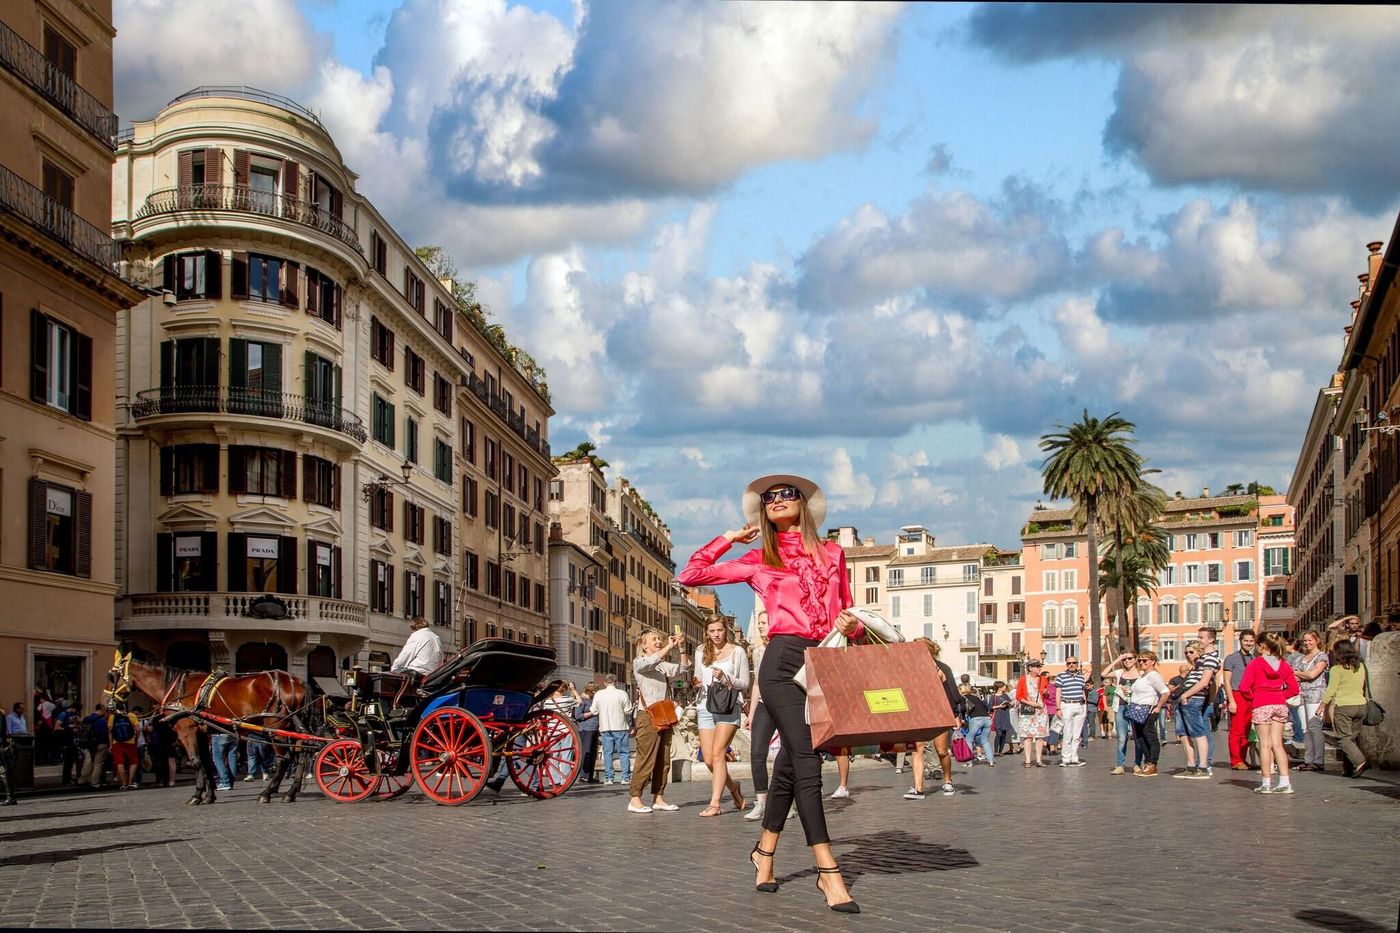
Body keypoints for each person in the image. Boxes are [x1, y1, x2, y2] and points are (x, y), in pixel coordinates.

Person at [676, 473, 861, 912]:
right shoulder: (760, 558)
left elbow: (846, 610)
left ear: (803, 504)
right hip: (781, 662)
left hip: (822, 661)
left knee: (790, 770)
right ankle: (827, 870)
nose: (776, 500)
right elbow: (691, 573)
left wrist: (849, 625)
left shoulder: (833, 553)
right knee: (806, 758)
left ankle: (764, 853)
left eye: (786, 493)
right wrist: (728, 537)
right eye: (768, 498)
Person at [628, 629, 691, 814]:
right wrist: (669, 646)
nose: (658, 642)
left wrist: (680, 648)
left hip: (664, 714)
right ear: (643, 644)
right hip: (647, 715)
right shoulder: (639, 662)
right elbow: (651, 661)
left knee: (664, 759)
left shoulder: (662, 665)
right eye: (654, 639)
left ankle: (659, 797)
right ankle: (635, 798)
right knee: (646, 757)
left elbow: (683, 669)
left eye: (659, 639)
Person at [694, 618, 750, 816]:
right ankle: (734, 788)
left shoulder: (738, 652)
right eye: (712, 631)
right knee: (709, 759)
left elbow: (745, 683)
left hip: (728, 706)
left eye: (719, 630)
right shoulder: (701, 651)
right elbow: (697, 677)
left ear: (725, 631)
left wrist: (726, 678)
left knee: (718, 753)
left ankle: (715, 803)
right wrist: (696, 682)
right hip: (705, 706)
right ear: (706, 632)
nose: (716, 634)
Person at [1238, 631, 1300, 795]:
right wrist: (1280, 695)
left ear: (1262, 646)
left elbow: (1244, 688)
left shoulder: (1255, 664)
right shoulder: (1284, 664)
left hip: (1262, 704)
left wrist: (1256, 696)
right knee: (1278, 744)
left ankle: (1266, 783)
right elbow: (1294, 689)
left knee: (1264, 744)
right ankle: (1285, 782)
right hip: (1280, 704)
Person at [903, 639, 961, 799]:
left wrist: (955, 714)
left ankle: (948, 781)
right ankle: (918, 788)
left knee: (941, 750)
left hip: (939, 712)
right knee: (917, 749)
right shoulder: (910, 670)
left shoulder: (942, 668)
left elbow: (952, 692)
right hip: (918, 712)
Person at [1319, 639, 1371, 779]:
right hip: (1361, 705)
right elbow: (1364, 686)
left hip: (1344, 706)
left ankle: (1361, 762)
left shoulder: (1337, 669)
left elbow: (1331, 690)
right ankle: (1348, 769)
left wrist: (1321, 706)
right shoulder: (1361, 667)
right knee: (1352, 738)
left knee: (1343, 738)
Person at [745, 610, 775, 822]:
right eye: (760, 623)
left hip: (784, 705)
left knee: (791, 754)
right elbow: (757, 683)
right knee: (757, 753)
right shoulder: (757, 651)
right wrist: (751, 713)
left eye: (765, 622)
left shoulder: (785, 647)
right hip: (764, 704)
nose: (761, 626)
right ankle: (762, 802)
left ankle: (787, 801)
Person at [1171, 641, 1213, 779]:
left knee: (1198, 732)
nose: (1188, 655)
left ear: (1199, 652)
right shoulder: (1194, 668)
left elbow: (1207, 683)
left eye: (1191, 652)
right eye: (1186, 652)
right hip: (1183, 700)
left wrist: (1185, 695)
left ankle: (1203, 767)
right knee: (1182, 733)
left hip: (1193, 699)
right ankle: (1190, 765)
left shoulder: (1206, 664)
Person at [1291, 631, 1330, 772]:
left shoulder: (1322, 657)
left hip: (1316, 694)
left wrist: (1298, 673)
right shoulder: (1300, 658)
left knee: (1315, 727)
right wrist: (1302, 675)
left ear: (1317, 640)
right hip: (1301, 695)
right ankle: (1308, 760)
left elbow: (1313, 674)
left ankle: (1318, 760)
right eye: (1305, 641)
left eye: (1310, 640)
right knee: (1305, 729)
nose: (1307, 643)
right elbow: (1294, 676)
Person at [1126, 652, 1170, 776]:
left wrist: (1158, 707)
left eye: (1145, 660)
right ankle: (1148, 761)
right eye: (1139, 661)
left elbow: (1165, 692)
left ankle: (1153, 763)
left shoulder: (1153, 676)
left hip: (1148, 710)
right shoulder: (1143, 676)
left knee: (1150, 737)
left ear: (1152, 661)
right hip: (1137, 709)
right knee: (1139, 738)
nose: (1141, 663)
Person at [1223, 629, 1258, 770]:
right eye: (1246, 641)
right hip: (1237, 695)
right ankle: (1235, 760)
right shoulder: (1231, 658)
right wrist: (1231, 700)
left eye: (1251, 641)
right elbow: (1227, 680)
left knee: (1246, 729)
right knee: (1236, 730)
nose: (1248, 643)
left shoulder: (1254, 659)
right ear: (1240, 641)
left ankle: (1242, 759)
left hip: (1250, 696)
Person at [591, 674, 633, 785]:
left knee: (607, 753)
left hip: (605, 727)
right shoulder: (622, 693)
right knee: (623, 753)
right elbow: (628, 710)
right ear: (616, 682)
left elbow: (594, 711)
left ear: (605, 683)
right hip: (620, 727)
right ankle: (625, 778)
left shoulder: (599, 694)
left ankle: (609, 778)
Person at [1053, 659, 1089, 767]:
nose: (1071, 665)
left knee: (1077, 735)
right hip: (1067, 704)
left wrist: (1085, 704)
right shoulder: (1061, 676)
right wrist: (1058, 708)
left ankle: (1074, 757)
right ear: (1066, 664)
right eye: (1069, 663)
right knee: (1067, 733)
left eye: (1073, 663)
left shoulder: (1081, 677)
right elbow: (1058, 692)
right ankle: (1066, 758)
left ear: (1077, 664)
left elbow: (1082, 690)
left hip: (1080, 705)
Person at [1016, 660, 1050, 767]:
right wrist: (1030, 702)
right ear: (1030, 668)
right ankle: (1027, 760)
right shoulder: (1023, 680)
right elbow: (1018, 696)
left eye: (1039, 666)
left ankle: (1039, 760)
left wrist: (1046, 693)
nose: (1039, 668)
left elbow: (1046, 695)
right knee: (1028, 736)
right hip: (1028, 710)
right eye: (1036, 666)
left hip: (1041, 710)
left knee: (1040, 736)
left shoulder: (1043, 679)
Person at [961, 685, 995, 767]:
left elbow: (962, 709)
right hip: (987, 719)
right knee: (985, 740)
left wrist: (963, 718)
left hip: (976, 719)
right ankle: (991, 761)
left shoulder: (963, 698)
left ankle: (969, 762)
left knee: (968, 740)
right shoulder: (976, 698)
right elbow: (985, 707)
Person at [107, 705, 140, 790]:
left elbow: (110, 732)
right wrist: (136, 739)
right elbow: (137, 729)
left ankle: (123, 783)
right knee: (134, 762)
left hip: (117, 742)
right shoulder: (131, 715)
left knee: (119, 762)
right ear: (125, 708)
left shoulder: (112, 717)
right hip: (130, 742)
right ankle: (130, 782)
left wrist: (110, 745)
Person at [573, 683, 601, 783]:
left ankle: (590, 776)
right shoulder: (582, 700)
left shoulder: (594, 700)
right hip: (585, 729)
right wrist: (592, 713)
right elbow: (578, 716)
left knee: (593, 753)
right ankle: (584, 775)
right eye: (595, 691)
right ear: (590, 691)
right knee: (586, 753)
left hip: (594, 729)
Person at [79, 705, 110, 788]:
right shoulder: (102, 720)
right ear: (102, 710)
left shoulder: (87, 719)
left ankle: (83, 779)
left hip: (88, 743)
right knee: (98, 763)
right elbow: (104, 734)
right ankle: (94, 781)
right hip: (100, 743)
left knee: (88, 761)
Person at [990, 682, 1014, 755]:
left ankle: (1000, 751)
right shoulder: (993, 696)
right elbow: (990, 707)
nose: (1005, 687)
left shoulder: (1005, 695)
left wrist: (1011, 704)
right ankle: (996, 751)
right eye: (1003, 686)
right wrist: (999, 706)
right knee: (999, 734)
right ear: (999, 687)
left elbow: (1010, 703)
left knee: (1004, 734)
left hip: (1005, 715)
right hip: (998, 716)